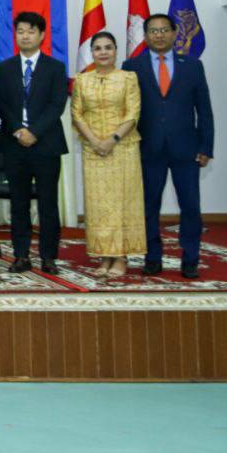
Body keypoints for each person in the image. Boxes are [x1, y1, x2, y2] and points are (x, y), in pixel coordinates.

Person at [122, 14, 214, 279]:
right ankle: (153, 257)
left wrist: (206, 146)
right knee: (148, 206)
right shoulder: (131, 66)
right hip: (148, 148)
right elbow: (126, 110)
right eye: (153, 31)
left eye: (164, 30)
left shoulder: (193, 66)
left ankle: (191, 258)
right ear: (146, 36)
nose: (159, 35)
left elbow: (204, 109)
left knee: (190, 206)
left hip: (187, 149)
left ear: (174, 33)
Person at [0, 11, 69, 274]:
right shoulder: (5, 68)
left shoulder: (55, 67)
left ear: (42, 35)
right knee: (19, 203)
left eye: (30, 31)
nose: (25, 36)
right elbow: (0, 103)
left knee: (48, 204)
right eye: (20, 31)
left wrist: (34, 132)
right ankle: (21, 255)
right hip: (14, 145)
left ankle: (49, 257)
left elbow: (57, 104)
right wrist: (18, 130)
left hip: (46, 144)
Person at [71, 31, 144, 277]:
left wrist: (112, 140)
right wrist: (95, 141)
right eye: (98, 48)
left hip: (123, 148)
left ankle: (121, 256)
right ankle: (104, 256)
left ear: (115, 51)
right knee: (98, 206)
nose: (103, 52)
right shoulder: (82, 80)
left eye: (108, 47)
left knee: (122, 202)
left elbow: (133, 113)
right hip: (93, 151)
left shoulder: (128, 78)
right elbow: (77, 114)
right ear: (91, 52)